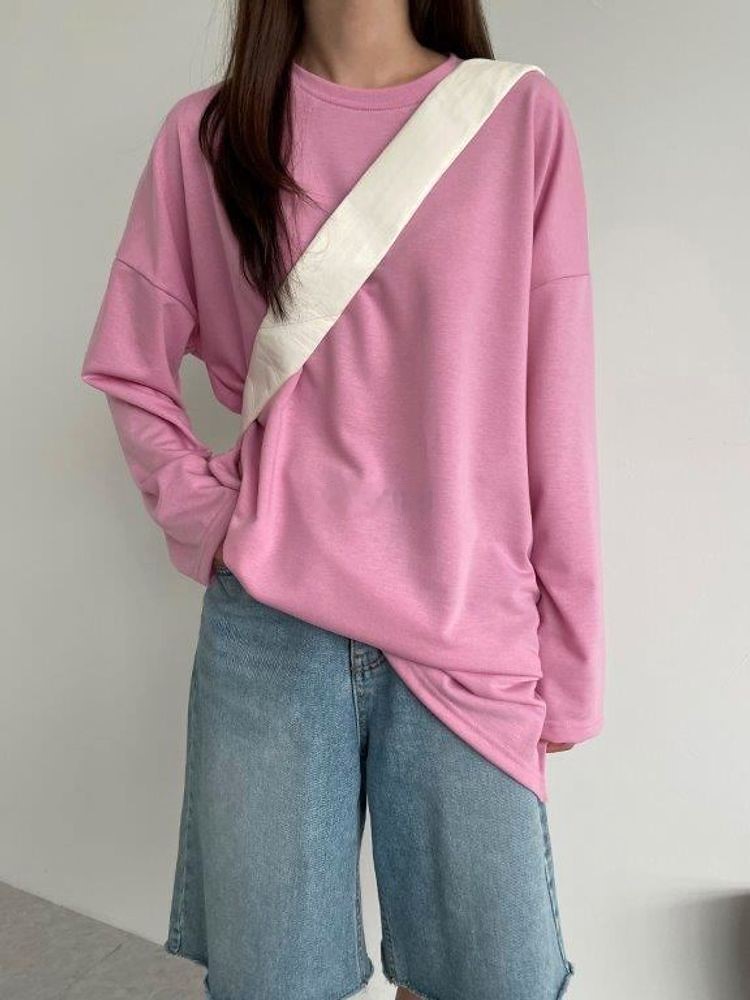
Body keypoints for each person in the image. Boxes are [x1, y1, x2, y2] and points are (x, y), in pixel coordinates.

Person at [80, 1, 604, 997]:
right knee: (276, 984)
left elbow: (558, 411)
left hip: (467, 628)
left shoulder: (516, 119)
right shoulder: (209, 138)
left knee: (494, 980)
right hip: (269, 629)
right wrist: (216, 522)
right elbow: (128, 368)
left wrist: (570, 659)